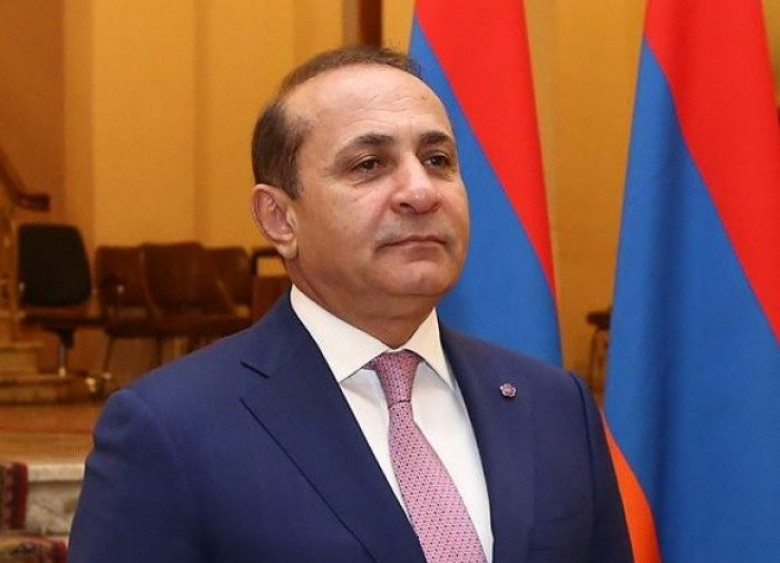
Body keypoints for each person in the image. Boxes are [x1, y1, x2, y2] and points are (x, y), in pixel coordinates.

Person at [69, 46, 632, 563]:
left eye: (437, 159)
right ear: (279, 219)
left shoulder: (554, 406)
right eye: (368, 165)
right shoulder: (170, 429)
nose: (421, 191)